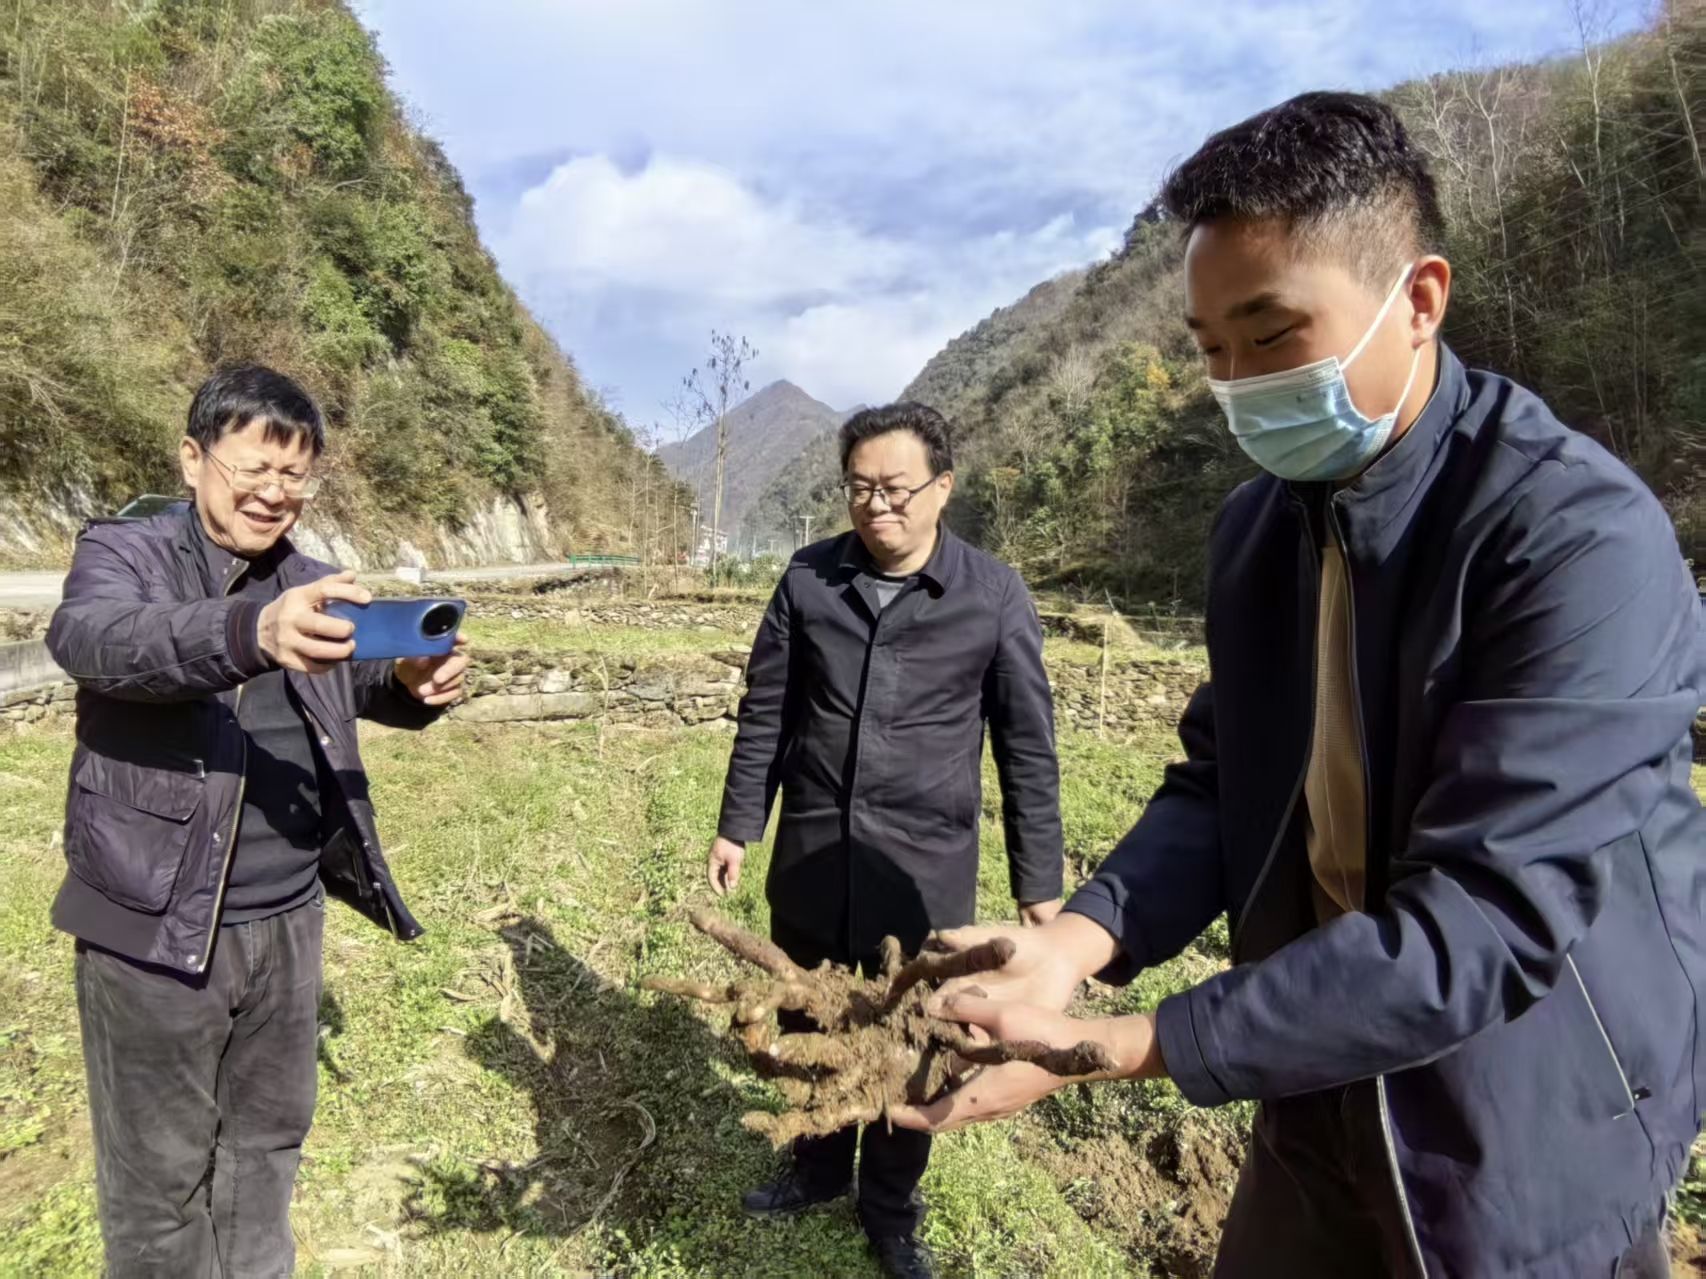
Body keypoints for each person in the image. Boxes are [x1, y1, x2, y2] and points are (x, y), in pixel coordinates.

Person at [890, 92, 1706, 1279]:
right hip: (1313, 1067)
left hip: (1526, 1108)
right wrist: (1076, 939)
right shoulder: (1257, 531)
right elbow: (1229, 780)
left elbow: (1483, 921)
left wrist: (1123, 1043)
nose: (1236, 384)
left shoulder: (1573, 541)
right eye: (1208, 349)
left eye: (1269, 337)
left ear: (1416, 301)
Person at [46, 364, 469, 1277]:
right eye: (254, 469)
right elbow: (96, 642)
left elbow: (347, 681)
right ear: (194, 458)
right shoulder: (125, 552)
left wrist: (408, 684)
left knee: (267, 1149)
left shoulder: (313, 579)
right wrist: (251, 632)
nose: (276, 494)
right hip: (153, 929)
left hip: (287, 921)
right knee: (158, 1180)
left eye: (296, 476)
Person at [708, 402, 1065, 1279]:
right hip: (813, 857)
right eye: (861, 489)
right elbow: (768, 714)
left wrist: (1040, 882)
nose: (877, 507)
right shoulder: (807, 580)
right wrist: (737, 825)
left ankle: (891, 1208)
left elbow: (1027, 745)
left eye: (897, 488)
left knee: (916, 1045)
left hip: (922, 875)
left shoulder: (991, 595)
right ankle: (818, 1166)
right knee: (805, 1014)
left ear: (942, 488)